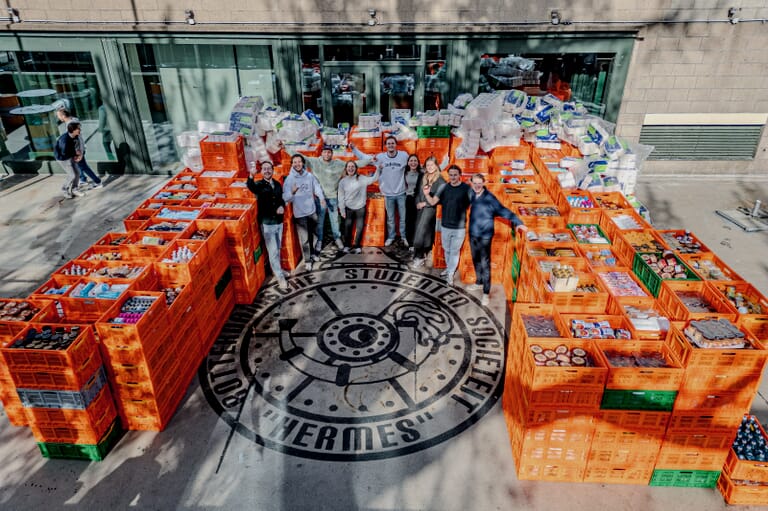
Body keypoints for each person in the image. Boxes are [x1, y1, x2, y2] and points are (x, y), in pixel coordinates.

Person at [467, 173, 527, 306]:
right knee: (475, 259)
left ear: (483, 183)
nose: (477, 185)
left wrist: (518, 221)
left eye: (479, 183)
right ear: (471, 183)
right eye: (474, 182)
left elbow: (503, 210)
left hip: (485, 236)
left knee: (485, 263)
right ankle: (478, 282)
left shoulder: (490, 199)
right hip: (473, 234)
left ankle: (486, 293)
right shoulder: (471, 194)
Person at [305, 144, 371, 252]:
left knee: (335, 221)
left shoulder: (338, 163)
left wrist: (370, 160)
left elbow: (355, 164)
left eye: (329, 152)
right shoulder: (315, 162)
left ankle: (337, 238)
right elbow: (302, 158)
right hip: (320, 198)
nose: (327, 154)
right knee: (320, 221)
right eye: (325, 152)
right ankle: (320, 241)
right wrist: (285, 147)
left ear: (332, 153)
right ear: (321, 153)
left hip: (333, 197)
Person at [353, 135, 409, 247]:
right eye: (388, 144)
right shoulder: (381, 157)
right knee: (391, 218)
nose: (391, 145)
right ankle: (391, 237)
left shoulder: (404, 156)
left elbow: (414, 163)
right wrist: (354, 149)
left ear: (396, 144)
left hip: (401, 192)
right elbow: (365, 157)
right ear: (386, 146)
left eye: (392, 143)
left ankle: (403, 237)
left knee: (403, 218)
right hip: (387, 193)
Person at [422, 164, 472, 286]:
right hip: (445, 225)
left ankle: (450, 274)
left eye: (455, 175)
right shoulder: (443, 187)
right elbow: (433, 202)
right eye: (451, 175)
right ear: (448, 175)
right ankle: (450, 268)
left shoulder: (466, 188)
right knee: (447, 249)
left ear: (460, 175)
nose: (453, 177)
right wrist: (427, 194)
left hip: (459, 226)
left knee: (454, 251)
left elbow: (473, 203)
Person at [246, 160, 288, 290]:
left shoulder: (277, 184)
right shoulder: (258, 185)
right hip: (268, 223)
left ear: (273, 170)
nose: (267, 171)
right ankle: (280, 276)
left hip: (278, 222)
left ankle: (278, 270)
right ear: (261, 171)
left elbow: (281, 199)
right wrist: (251, 176)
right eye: (264, 169)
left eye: (269, 168)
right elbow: (251, 186)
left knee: (278, 249)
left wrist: (282, 207)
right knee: (273, 251)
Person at [282, 154, 326, 271]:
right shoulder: (290, 179)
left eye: (299, 162)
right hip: (300, 214)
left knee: (315, 234)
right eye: (295, 162)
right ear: (292, 164)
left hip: (311, 211)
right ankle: (307, 260)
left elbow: (316, 187)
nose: (297, 164)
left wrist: (321, 198)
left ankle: (313, 254)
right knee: (305, 239)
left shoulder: (309, 176)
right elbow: (286, 198)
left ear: (303, 163)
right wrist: (292, 192)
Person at [410, 156, 446, 269]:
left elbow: (439, 199)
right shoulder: (422, 177)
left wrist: (425, 204)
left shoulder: (440, 180)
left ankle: (419, 257)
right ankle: (421, 253)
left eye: (432, 165)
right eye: (428, 165)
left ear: (436, 166)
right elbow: (416, 192)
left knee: (421, 231)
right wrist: (417, 203)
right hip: (420, 208)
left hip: (430, 208)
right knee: (420, 230)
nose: (430, 167)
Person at [338, 161, 380, 253]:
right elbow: (340, 197)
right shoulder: (343, 181)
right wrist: (342, 210)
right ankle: (347, 245)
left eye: (353, 166)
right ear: (346, 169)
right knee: (347, 227)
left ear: (356, 169)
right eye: (349, 166)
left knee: (360, 227)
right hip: (348, 208)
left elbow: (374, 178)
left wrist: (378, 168)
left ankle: (357, 246)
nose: (351, 168)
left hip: (360, 207)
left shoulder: (362, 178)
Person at [56, 107, 103, 189]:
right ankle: (83, 179)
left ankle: (98, 182)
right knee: (79, 165)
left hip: (78, 150)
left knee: (83, 166)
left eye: (58, 116)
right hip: (77, 150)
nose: (58, 118)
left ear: (63, 116)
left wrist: (80, 152)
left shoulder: (71, 124)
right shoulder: (72, 120)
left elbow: (79, 139)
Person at [53, 122, 85, 199]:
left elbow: (77, 146)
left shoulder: (75, 136)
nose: (80, 130)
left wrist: (78, 155)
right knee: (72, 175)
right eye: (78, 128)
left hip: (69, 156)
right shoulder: (64, 139)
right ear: (73, 130)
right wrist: (75, 153)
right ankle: (64, 190)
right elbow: (64, 152)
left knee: (77, 173)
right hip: (63, 158)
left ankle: (74, 189)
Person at [403, 154, 422, 250]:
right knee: (409, 221)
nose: (413, 162)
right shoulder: (405, 173)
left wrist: (446, 160)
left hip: (418, 199)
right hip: (409, 199)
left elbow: (435, 169)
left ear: (418, 163)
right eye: (411, 161)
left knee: (418, 221)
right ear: (408, 162)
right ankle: (410, 242)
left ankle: (416, 241)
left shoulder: (421, 173)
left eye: (415, 161)